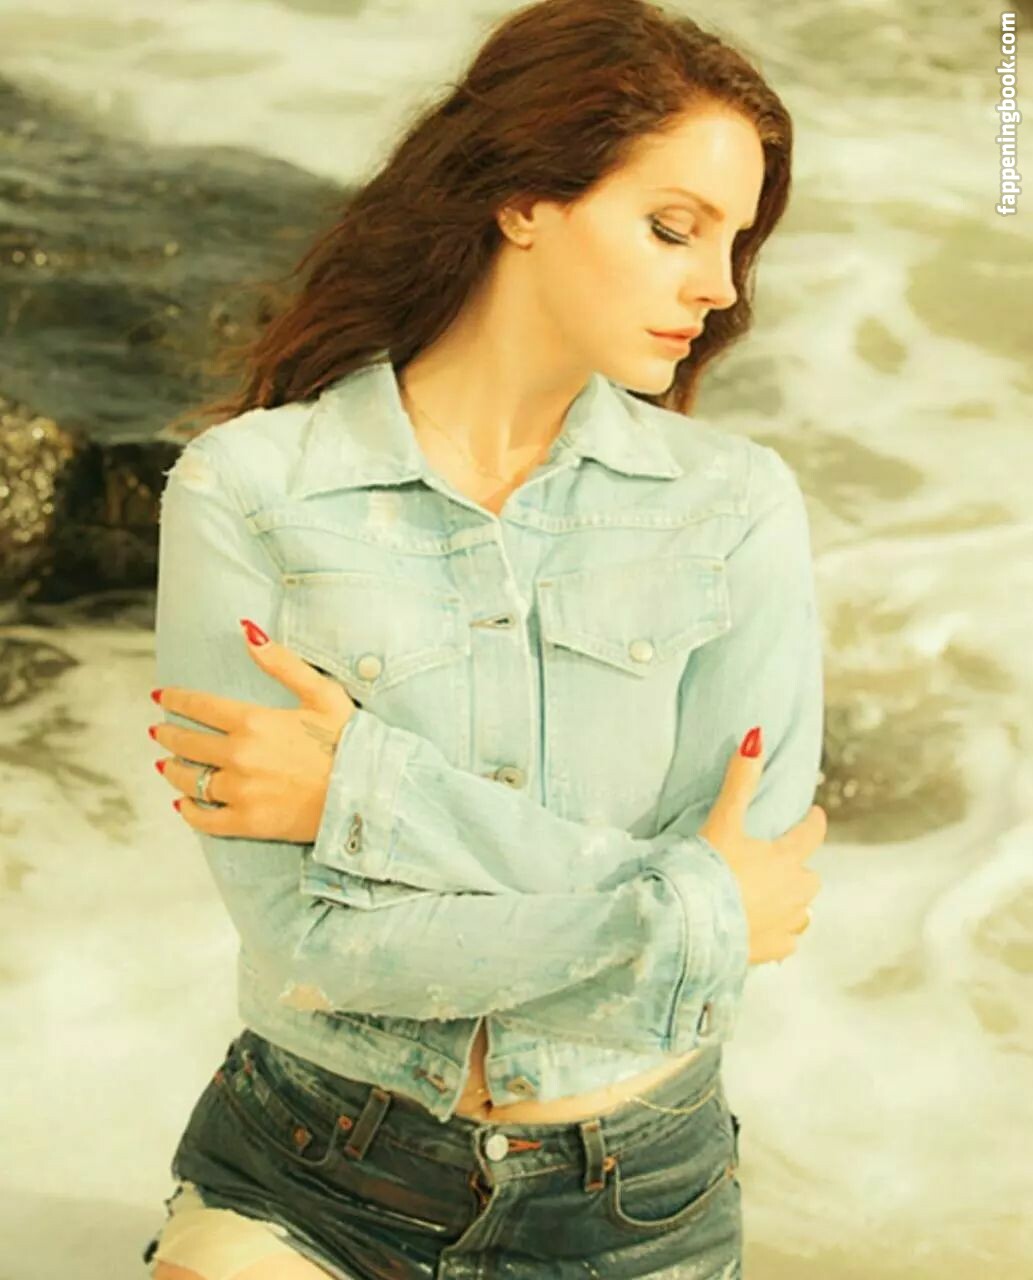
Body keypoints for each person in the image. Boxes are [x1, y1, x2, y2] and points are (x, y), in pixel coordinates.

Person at [141, 0, 828, 1276]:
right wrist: (682, 904)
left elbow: (745, 932)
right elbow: (307, 946)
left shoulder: (734, 506)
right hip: (314, 1165)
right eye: (672, 226)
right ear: (523, 200)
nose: (720, 285)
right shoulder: (248, 488)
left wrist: (363, 793)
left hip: (631, 1200)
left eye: (735, 241)